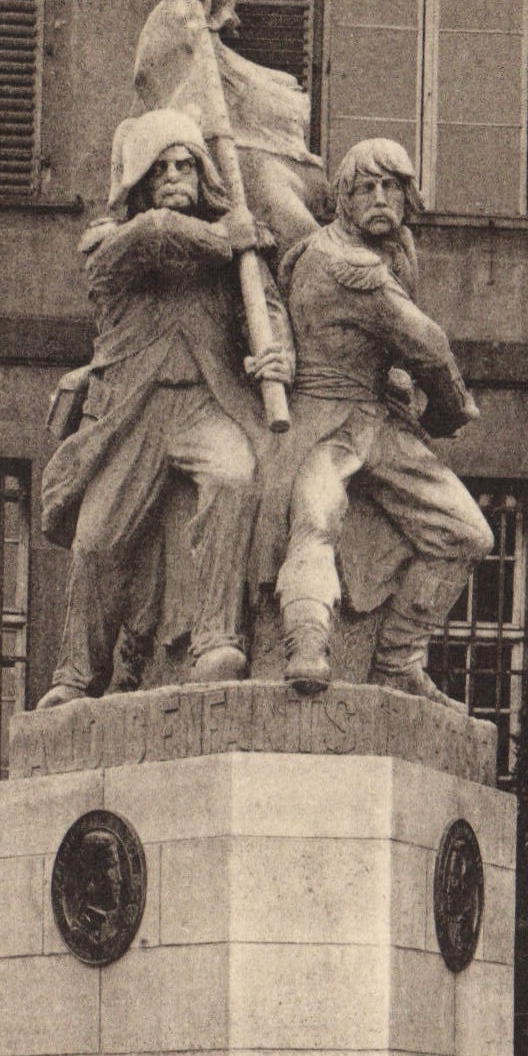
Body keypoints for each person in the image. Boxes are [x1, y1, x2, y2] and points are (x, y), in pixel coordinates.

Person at [39, 109, 293, 706]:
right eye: (160, 169)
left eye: (185, 165)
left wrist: (279, 358)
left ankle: (217, 639)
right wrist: (226, 237)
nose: (175, 177)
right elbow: (152, 235)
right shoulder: (112, 243)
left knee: (236, 478)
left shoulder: (241, 260)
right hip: (133, 415)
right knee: (98, 539)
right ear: (140, 182)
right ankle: (76, 675)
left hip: (207, 407)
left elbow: (271, 314)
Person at [275, 139, 493, 702]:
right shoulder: (344, 265)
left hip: (378, 419)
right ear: (342, 198)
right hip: (323, 419)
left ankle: (396, 659)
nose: (380, 198)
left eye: (391, 187)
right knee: (316, 518)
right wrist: (450, 410)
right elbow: (429, 344)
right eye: (366, 187)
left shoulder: (390, 254)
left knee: (467, 533)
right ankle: (306, 642)